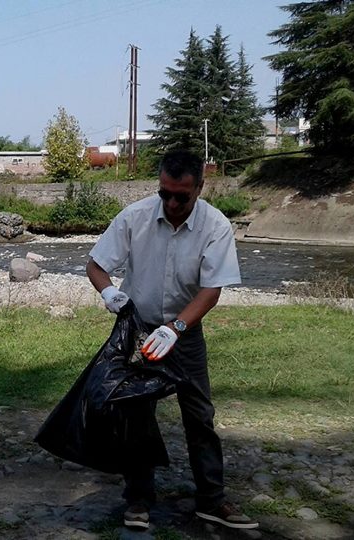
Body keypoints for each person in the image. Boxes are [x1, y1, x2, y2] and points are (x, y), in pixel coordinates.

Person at [85, 150, 257, 530]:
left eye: (182, 196)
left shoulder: (215, 226)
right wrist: (109, 293)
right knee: (136, 414)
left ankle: (212, 499)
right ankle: (138, 499)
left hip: (184, 334)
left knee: (200, 416)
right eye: (165, 193)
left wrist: (175, 328)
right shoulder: (135, 217)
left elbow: (211, 290)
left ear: (200, 188)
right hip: (138, 331)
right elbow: (96, 265)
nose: (173, 203)